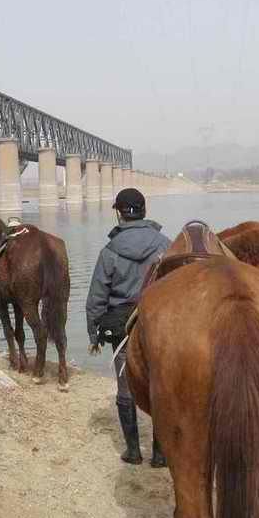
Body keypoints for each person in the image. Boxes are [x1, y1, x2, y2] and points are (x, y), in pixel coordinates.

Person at [85, 187, 170, 466]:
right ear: (144, 211)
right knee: (161, 387)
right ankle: (160, 455)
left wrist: (93, 333)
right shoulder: (166, 245)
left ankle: (133, 451)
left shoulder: (109, 251)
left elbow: (97, 297)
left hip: (122, 329)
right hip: (161, 326)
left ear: (119, 213)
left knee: (125, 387)